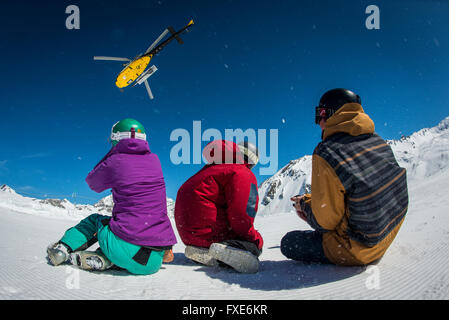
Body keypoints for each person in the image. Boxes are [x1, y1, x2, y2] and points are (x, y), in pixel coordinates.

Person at [281, 88, 409, 266]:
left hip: (360, 248)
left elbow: (326, 221)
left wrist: (305, 206)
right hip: (390, 232)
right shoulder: (378, 141)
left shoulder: (327, 151)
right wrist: (309, 201)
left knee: (289, 242)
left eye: (320, 114)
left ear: (329, 113)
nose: (318, 122)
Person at [46, 118, 177, 275]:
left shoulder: (115, 161)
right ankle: (104, 259)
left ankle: (61, 250)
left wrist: (112, 154)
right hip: (152, 261)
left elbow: (93, 183)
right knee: (126, 230)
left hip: (123, 249)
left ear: (116, 138)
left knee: (96, 221)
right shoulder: (155, 160)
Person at [174, 140, 263, 273]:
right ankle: (222, 249)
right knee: (254, 247)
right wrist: (255, 238)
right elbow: (242, 215)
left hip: (189, 237)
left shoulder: (209, 170)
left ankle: (206, 250)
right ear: (251, 161)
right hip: (213, 236)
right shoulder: (241, 172)